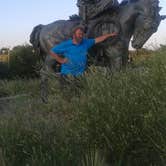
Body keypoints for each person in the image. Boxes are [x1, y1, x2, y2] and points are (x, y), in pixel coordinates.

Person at [49, 26, 117, 77]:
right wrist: (61, 60)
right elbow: (52, 51)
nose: (81, 36)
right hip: (67, 76)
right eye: (79, 34)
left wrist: (109, 35)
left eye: (82, 34)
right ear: (74, 35)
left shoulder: (85, 42)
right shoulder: (66, 44)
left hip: (79, 76)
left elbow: (98, 39)